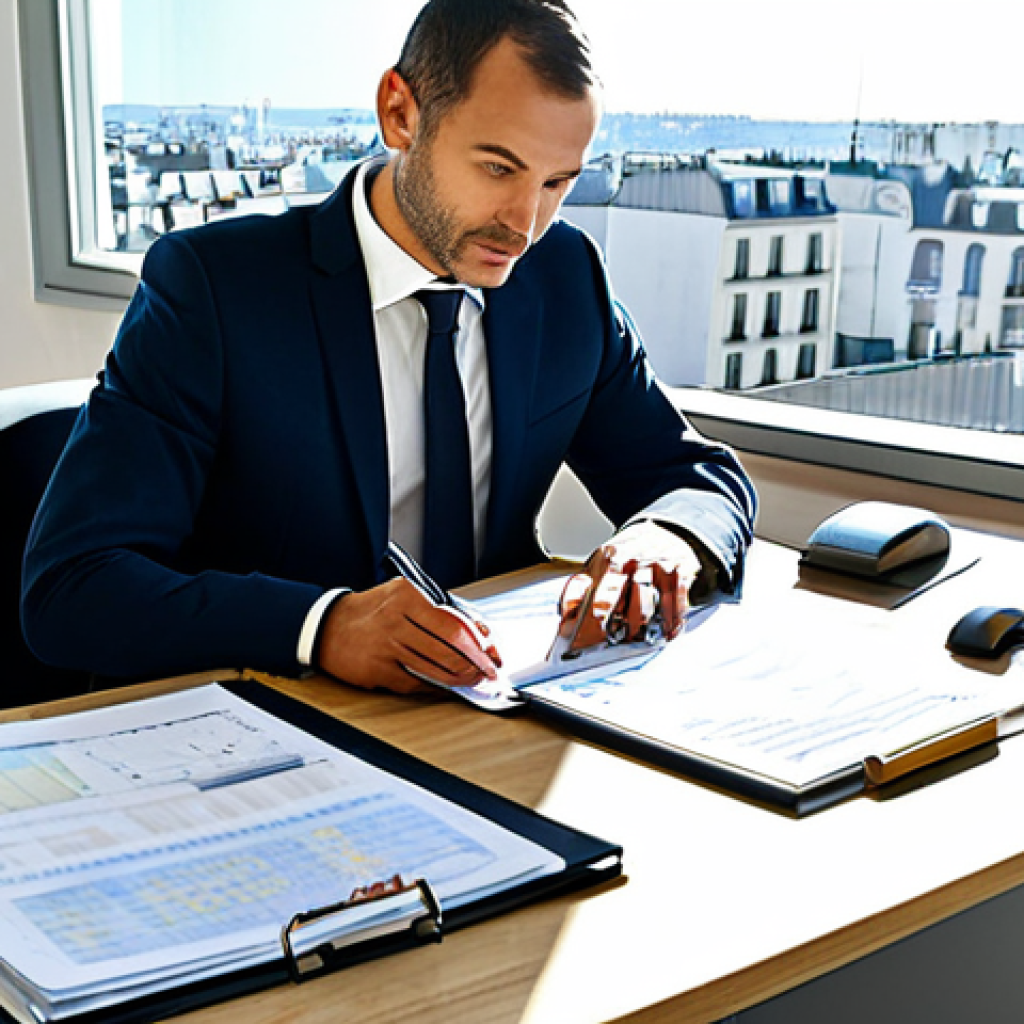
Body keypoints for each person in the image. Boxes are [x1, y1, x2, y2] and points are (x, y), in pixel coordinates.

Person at [22, 0, 756, 696]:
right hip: (272, 717)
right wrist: (321, 626)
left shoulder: (562, 277)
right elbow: (74, 586)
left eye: (559, 182)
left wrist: (665, 538)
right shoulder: (217, 288)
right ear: (400, 113)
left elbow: (696, 478)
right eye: (497, 168)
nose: (526, 223)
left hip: (486, 719)